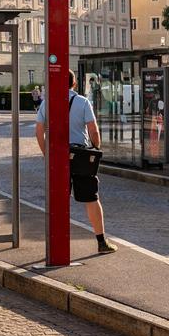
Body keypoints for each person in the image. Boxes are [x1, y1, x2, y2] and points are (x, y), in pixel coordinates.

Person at [35, 70, 116, 254]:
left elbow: (39, 131)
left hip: (57, 156)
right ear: (73, 84)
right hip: (80, 156)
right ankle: (101, 242)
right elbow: (93, 131)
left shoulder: (48, 103)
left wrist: (47, 155)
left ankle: (56, 244)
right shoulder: (82, 102)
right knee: (91, 198)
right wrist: (95, 147)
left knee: (58, 200)